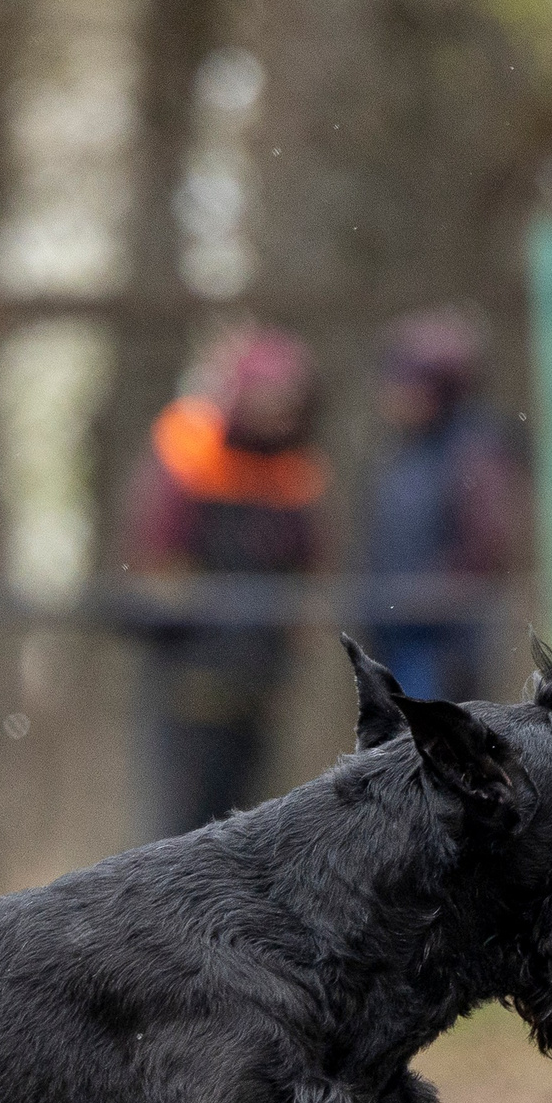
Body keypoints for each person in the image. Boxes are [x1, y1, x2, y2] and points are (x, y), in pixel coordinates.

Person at [116, 326, 327, 837]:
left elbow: (308, 563)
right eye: (270, 399)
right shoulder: (190, 447)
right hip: (190, 675)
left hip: (260, 676)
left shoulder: (293, 467)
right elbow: (156, 558)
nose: (280, 413)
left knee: (249, 821)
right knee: (182, 824)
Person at [361, 308, 522, 702]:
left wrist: (430, 597)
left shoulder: (474, 449)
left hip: (442, 642)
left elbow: (486, 544)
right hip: (397, 633)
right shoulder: (404, 451)